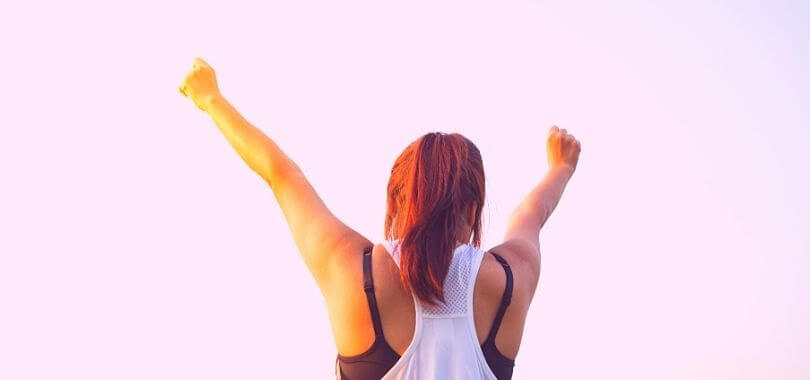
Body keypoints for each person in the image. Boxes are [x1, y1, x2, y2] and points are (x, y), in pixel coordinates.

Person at [179, 58, 581, 380]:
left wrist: (211, 98)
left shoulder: (354, 270)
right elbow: (531, 214)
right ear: (474, 208)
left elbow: (282, 174)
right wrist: (560, 167)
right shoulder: (510, 280)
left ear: (395, 202)